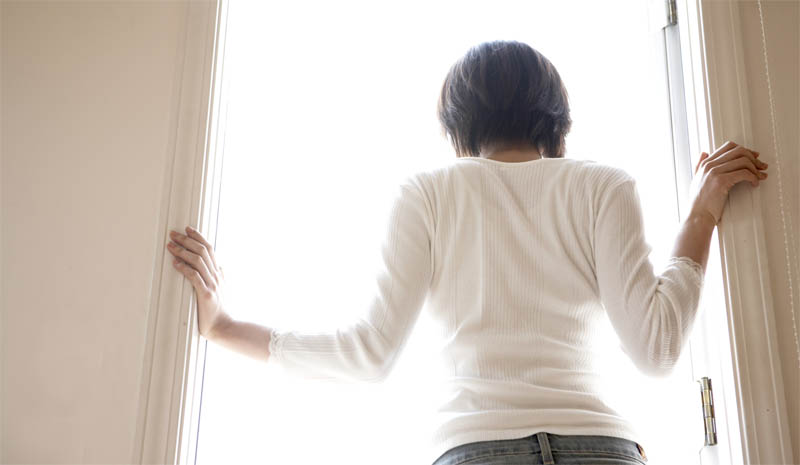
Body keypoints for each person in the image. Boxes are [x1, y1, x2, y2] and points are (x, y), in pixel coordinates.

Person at [165, 40, 768, 465]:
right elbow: (658, 350)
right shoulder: (603, 185)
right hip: (602, 448)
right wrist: (701, 213)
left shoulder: (427, 193)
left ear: (458, 123)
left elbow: (368, 354)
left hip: (474, 448)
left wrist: (222, 326)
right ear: (555, 114)